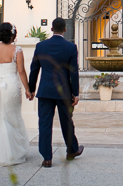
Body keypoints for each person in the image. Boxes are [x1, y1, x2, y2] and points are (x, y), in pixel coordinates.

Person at [28, 17, 83, 168]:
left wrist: (31, 89)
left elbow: (34, 70)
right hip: (64, 92)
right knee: (67, 122)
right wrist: (75, 93)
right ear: (65, 29)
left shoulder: (40, 46)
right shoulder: (71, 47)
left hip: (45, 91)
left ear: (51, 29)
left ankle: (47, 158)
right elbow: (73, 73)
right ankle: (72, 150)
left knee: (44, 124)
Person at [0, 23, 32, 167]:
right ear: (13, 35)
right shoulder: (17, 50)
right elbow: (21, 71)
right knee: (12, 116)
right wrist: (28, 89)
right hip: (11, 86)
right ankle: (13, 152)